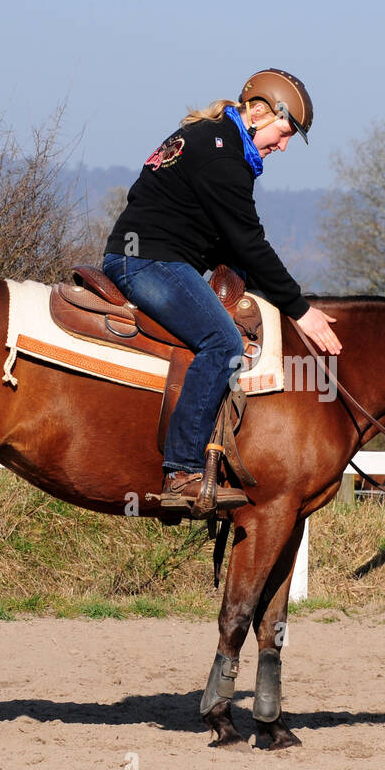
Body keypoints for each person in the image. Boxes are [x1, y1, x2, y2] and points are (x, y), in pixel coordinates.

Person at [101, 68, 341, 516]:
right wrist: (299, 308)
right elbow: (247, 240)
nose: (283, 146)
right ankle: (182, 470)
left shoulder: (211, 137)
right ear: (256, 111)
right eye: (283, 133)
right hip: (149, 262)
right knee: (223, 342)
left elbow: (222, 237)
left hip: (152, 254)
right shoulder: (222, 156)